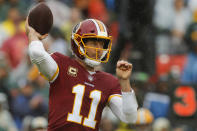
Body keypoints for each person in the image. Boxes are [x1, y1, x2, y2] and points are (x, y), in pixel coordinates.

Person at [26, 18, 138, 131]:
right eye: (94, 43)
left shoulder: (109, 82)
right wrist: (33, 34)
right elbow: (37, 54)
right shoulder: (62, 64)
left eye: (102, 44)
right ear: (78, 43)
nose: (99, 49)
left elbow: (130, 117)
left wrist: (125, 82)